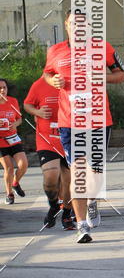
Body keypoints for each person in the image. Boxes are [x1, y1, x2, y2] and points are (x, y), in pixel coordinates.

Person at [43, 11, 124, 243]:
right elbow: (47, 73)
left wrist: (102, 76)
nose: (78, 28)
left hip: (99, 120)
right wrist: (53, 81)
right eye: (73, 24)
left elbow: (122, 75)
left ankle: (93, 200)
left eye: (83, 24)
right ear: (66, 26)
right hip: (70, 122)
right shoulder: (55, 51)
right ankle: (82, 227)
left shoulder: (103, 47)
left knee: (96, 174)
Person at [23, 75, 73, 230]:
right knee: (50, 177)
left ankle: (67, 212)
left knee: (69, 181)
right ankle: (53, 205)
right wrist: (37, 112)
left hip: (70, 138)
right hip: (47, 140)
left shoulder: (74, 80)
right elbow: (27, 105)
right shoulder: (39, 84)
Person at [0, 79, 28, 204]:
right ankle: (9, 194)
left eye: (4, 87)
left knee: (23, 165)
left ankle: (15, 183)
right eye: (0, 88)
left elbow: (19, 119)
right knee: (9, 168)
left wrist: (14, 124)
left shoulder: (13, 101)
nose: (2, 90)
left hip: (13, 138)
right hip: (0, 141)